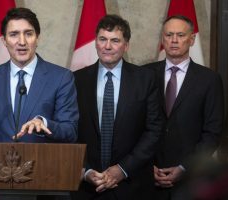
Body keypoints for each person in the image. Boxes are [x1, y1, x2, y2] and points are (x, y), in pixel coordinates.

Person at [71, 14, 164, 200]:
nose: (107, 46)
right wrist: (87, 170)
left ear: (126, 45)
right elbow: (70, 129)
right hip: (88, 187)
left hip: (132, 185)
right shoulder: (75, 79)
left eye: (115, 40)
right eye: (102, 39)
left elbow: (154, 130)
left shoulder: (146, 79)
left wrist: (122, 170)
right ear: (95, 42)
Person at [143, 15, 224, 200]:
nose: (173, 40)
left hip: (191, 182)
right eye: (169, 35)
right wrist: (147, 166)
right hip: (147, 179)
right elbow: (133, 125)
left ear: (192, 39)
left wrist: (184, 168)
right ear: (162, 38)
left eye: (180, 35)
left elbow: (212, 132)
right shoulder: (144, 74)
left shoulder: (209, 80)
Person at [0, 7, 78, 143]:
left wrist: (44, 123)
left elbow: (70, 131)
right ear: (4, 41)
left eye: (28, 34)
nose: (22, 42)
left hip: (44, 162)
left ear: (37, 38)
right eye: (14, 34)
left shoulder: (61, 78)